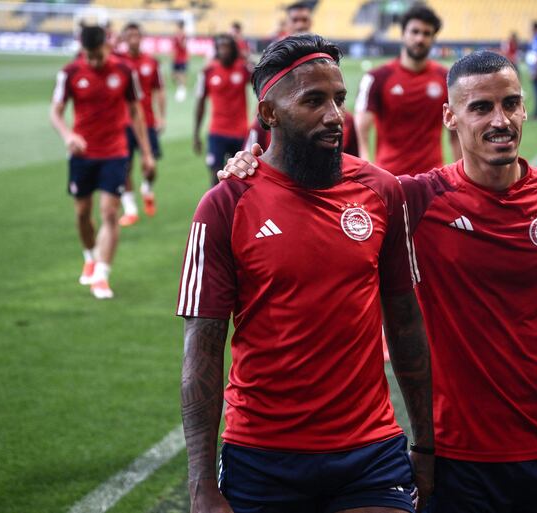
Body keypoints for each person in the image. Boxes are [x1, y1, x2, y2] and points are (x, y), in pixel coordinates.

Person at [223, 50, 537, 512]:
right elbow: (322, 183)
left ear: (524, 108)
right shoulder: (413, 199)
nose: (500, 120)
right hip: (452, 461)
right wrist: (254, 162)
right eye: (481, 107)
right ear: (451, 118)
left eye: (511, 103)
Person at [178, 34, 434, 513]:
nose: (335, 115)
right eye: (313, 101)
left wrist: (425, 442)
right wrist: (201, 486)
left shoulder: (381, 191)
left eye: (338, 98)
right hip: (261, 456)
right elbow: (202, 348)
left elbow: (405, 321)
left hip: (370, 452)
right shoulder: (225, 205)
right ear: (269, 113)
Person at [50, 24, 155, 299]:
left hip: (115, 152)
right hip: (82, 154)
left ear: (107, 46)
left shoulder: (123, 72)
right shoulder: (70, 73)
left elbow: (137, 113)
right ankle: (90, 256)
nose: (94, 61)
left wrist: (146, 153)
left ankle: (102, 275)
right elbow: (56, 112)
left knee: (109, 213)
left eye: (98, 54)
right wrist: (68, 135)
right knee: (83, 212)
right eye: (89, 55)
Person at [355, 4, 460, 176]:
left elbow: (456, 134)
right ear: (403, 34)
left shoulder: (446, 78)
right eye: (415, 31)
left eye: (427, 33)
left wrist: (458, 176)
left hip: (432, 179)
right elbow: (362, 129)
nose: (420, 39)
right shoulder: (378, 78)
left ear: (433, 38)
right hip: (390, 178)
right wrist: (368, 172)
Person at [119, 22, 165, 226]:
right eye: (129, 35)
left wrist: (161, 116)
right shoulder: (117, 62)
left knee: (150, 165)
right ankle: (130, 208)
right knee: (124, 167)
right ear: (124, 38)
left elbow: (160, 90)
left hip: (147, 121)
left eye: (136, 35)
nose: (133, 39)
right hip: (123, 123)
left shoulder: (151, 62)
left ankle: (146, 188)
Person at [193, 34, 252, 186]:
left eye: (227, 47)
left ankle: (237, 209)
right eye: (220, 47)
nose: (224, 51)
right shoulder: (207, 72)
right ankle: (217, 208)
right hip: (217, 132)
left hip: (240, 132)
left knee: (242, 177)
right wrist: (196, 134)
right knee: (216, 174)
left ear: (234, 50)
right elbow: (200, 103)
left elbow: (262, 79)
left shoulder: (243, 68)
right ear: (216, 50)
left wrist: (248, 59)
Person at [172, 20, 189, 102]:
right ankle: (180, 88)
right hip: (176, 58)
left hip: (182, 58)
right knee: (174, 75)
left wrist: (180, 40)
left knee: (182, 74)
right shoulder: (176, 36)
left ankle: (182, 91)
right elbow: (174, 47)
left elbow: (184, 46)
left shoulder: (184, 35)